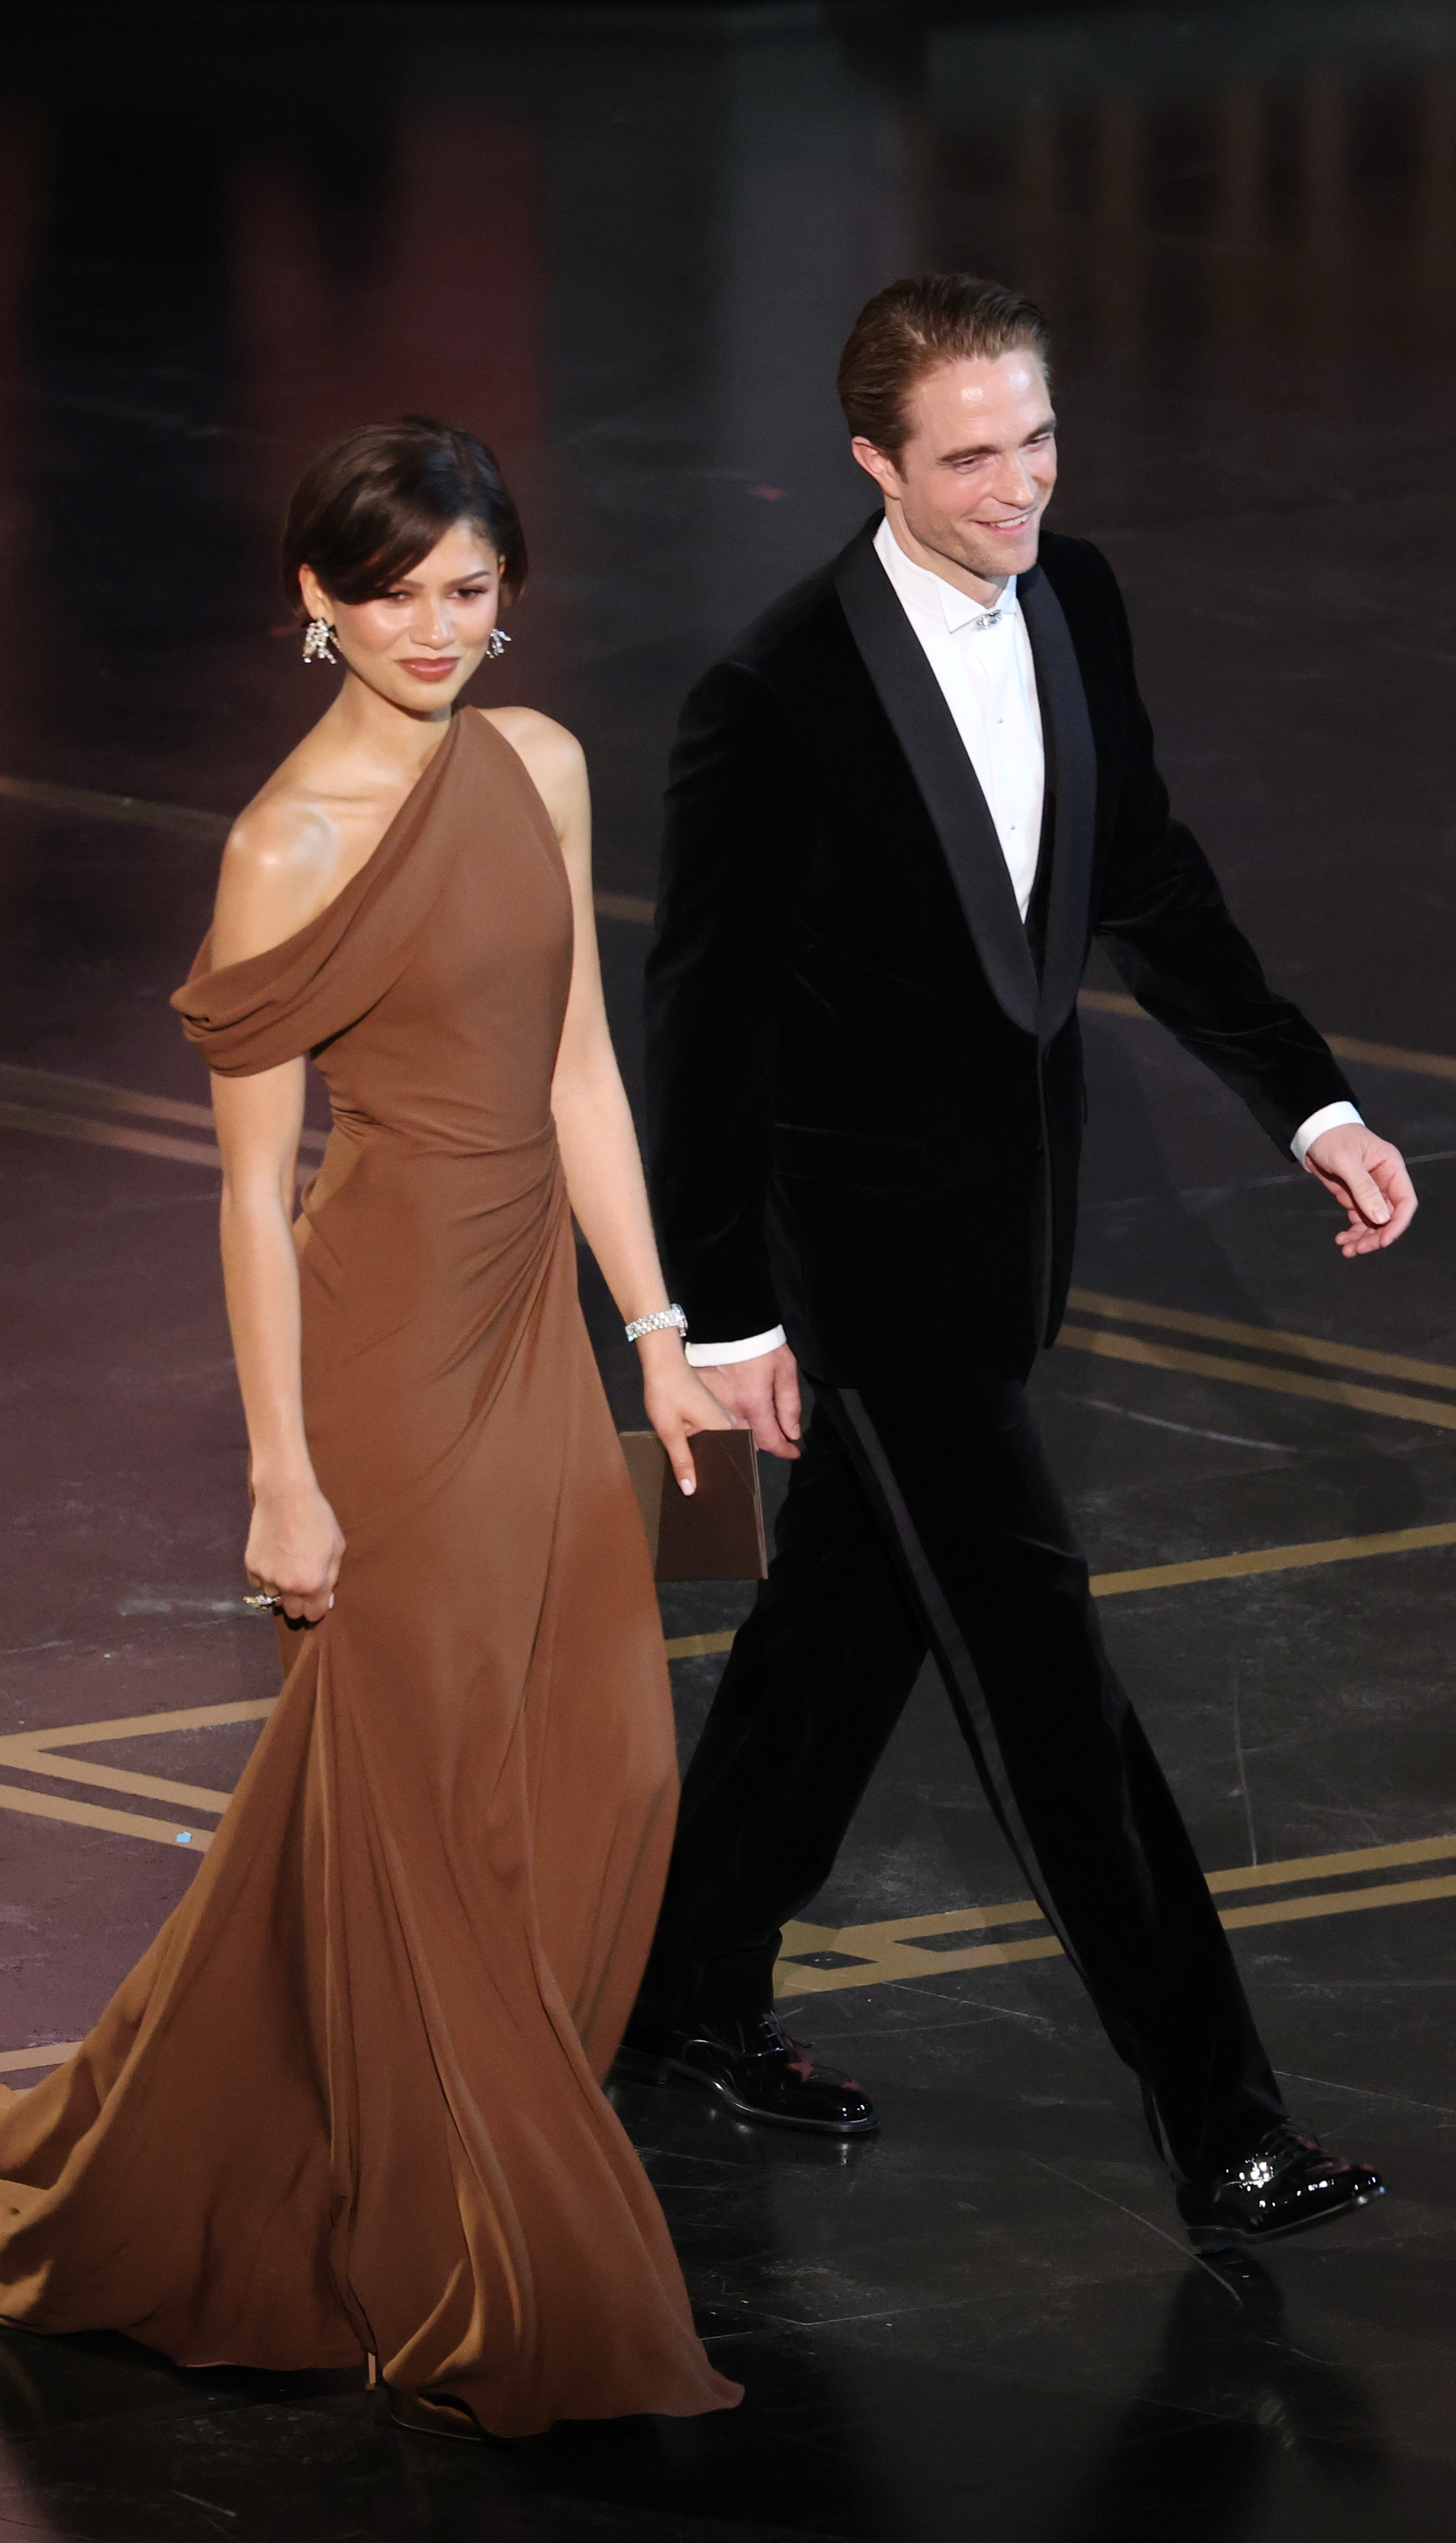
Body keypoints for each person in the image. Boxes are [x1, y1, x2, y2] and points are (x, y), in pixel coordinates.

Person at [0, 417, 740, 2441]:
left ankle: (383, 2147)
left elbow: (580, 1080)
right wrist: (282, 1472)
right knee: (428, 1782)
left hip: (533, 1322)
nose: (437, 632)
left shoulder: (533, 765)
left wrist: (655, 1328)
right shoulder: (284, 844)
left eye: (470, 593)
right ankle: (474, 2244)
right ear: (314, 602)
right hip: (381, 1348)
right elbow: (251, 1192)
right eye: (392, 596)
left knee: (605, 1772)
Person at [623, 275, 1416, 2249]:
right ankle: (1222, 2122)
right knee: (1047, 1686)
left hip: (1008, 1240)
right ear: (872, 462)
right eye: (968, 456)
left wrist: (1303, 1102)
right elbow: (702, 1029)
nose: (1017, 488)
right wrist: (720, 1318)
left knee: (835, 1636)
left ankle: (676, 1997)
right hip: (863, 1280)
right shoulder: (773, 695)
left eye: (1036, 440)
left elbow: (1142, 873)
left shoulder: (1079, 598)